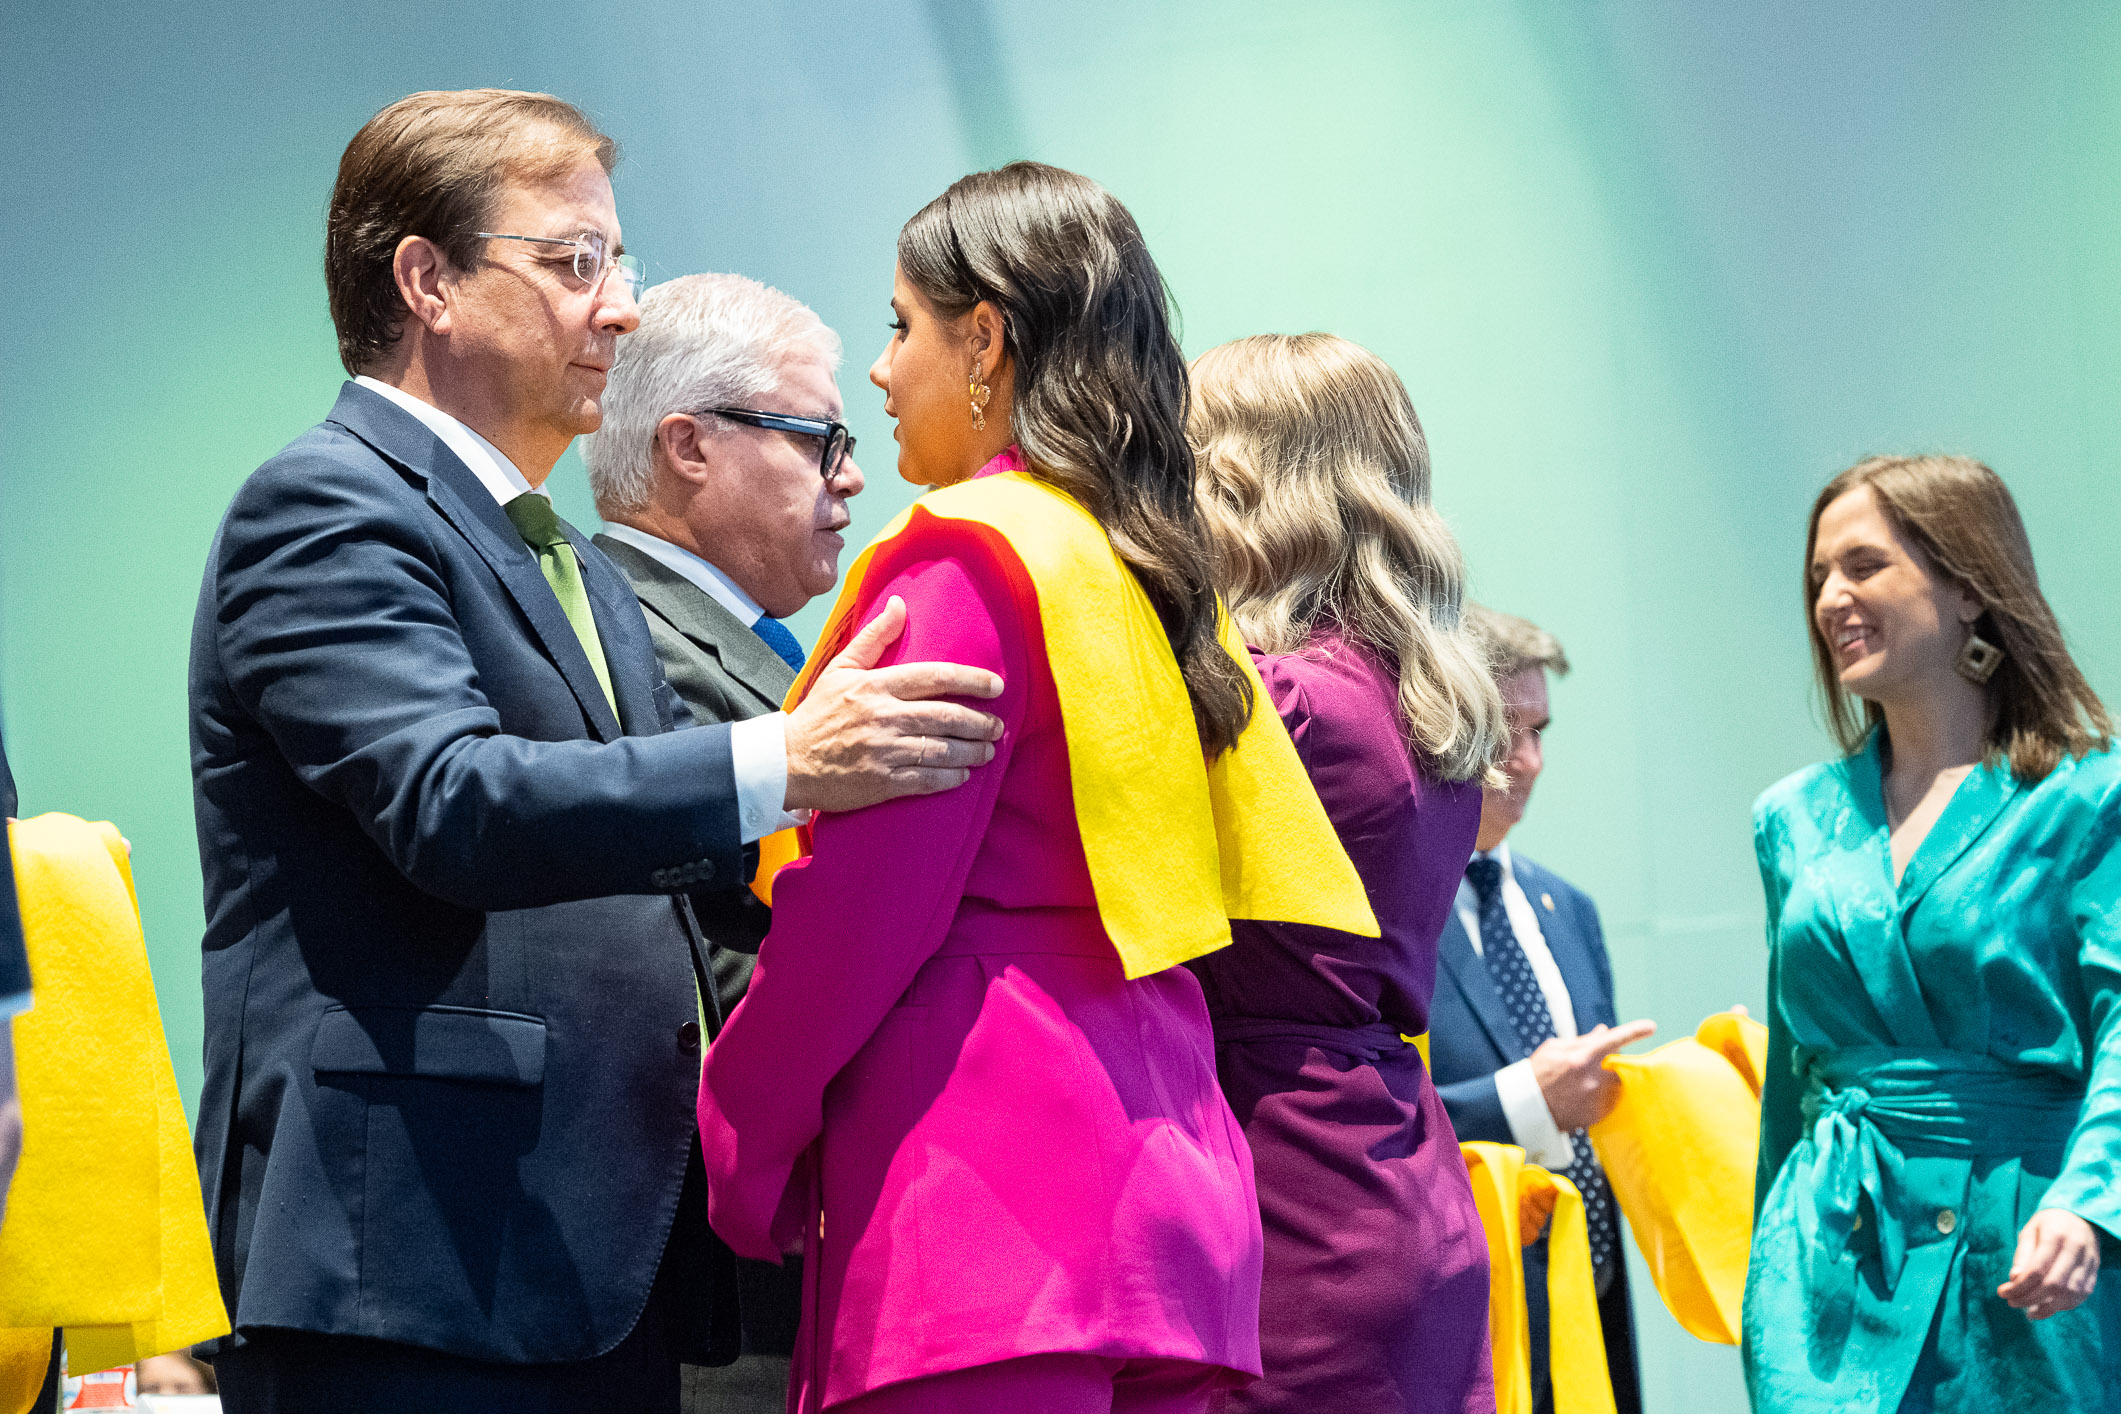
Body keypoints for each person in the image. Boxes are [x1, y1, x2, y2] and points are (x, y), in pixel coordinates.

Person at [189, 89, 1003, 1414]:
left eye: (615, 264)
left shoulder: (567, 562)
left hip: (587, 1255)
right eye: (578, 262)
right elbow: (449, 802)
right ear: (428, 282)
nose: (620, 306)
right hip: (419, 1258)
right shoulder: (325, 502)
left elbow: (661, 868)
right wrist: (785, 759)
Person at [696, 162, 1377, 1414]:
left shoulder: (969, 558)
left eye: (902, 326)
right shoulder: (1155, 574)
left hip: (986, 1214)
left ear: (987, 340)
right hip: (1171, 1205)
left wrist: (736, 1134)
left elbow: (860, 916)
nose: (884, 374)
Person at [1747, 455, 2121, 1412]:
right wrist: (1764, 1257)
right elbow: (1793, 1077)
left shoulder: (2088, 797)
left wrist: (2089, 1202)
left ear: (1966, 588)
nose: (1831, 598)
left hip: (2030, 1248)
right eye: (1818, 575)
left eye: (1864, 566)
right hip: (1830, 1255)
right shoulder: (1791, 818)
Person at [1185, 332, 1508, 1413]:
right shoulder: (1420, 708)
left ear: (1243, 486)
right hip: (1397, 1171)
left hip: (1284, 1202)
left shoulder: (1276, 708)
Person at [584, 272, 863, 1411]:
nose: (851, 473)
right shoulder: (634, 637)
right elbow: (717, 958)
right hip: (728, 1288)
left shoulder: (747, 648)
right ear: (688, 445)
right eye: (819, 437)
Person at [1427, 606, 1652, 1414]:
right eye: (1503, 731)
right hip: (1469, 1338)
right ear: (1438, 726)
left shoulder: (1571, 910)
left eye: (1540, 730)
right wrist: (1526, 1102)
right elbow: (1368, 1116)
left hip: (1590, 1320)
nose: (1528, 761)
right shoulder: (1383, 910)